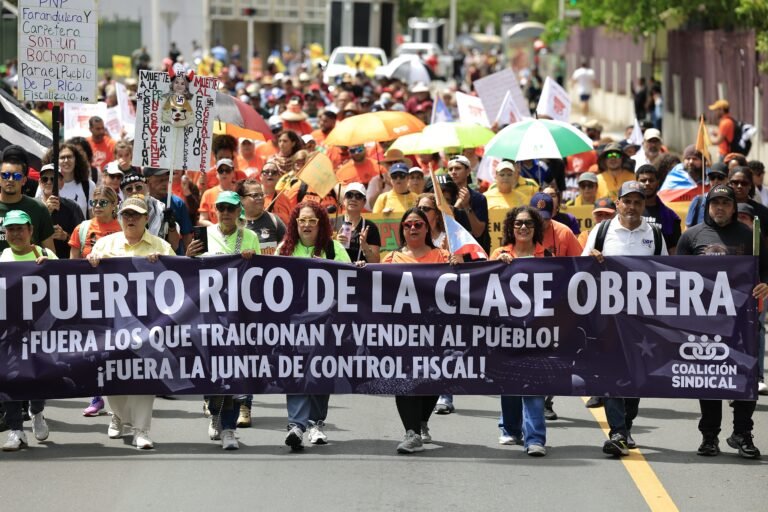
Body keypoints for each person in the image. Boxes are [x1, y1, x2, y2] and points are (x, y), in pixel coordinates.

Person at [676, 184, 768, 458]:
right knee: (710, 378)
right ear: (707, 206)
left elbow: (764, 270)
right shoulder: (691, 237)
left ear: (733, 206)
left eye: (725, 203)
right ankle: (709, 436)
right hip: (705, 323)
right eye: (715, 203)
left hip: (743, 320)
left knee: (745, 376)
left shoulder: (750, 235)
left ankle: (742, 433)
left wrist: (765, 285)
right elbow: (677, 276)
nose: (720, 208)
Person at [582, 181, 668, 456]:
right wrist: (592, 256)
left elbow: (665, 273)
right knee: (610, 372)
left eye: (637, 202)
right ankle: (617, 430)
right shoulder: (602, 230)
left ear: (644, 206)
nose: (632, 207)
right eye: (627, 201)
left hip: (641, 319)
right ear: (617, 203)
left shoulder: (654, 234)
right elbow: (580, 268)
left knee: (635, 375)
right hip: (607, 316)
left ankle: (626, 425)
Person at [87, 196, 175, 449]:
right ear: (119, 217)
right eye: (126, 214)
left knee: (145, 376)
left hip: (148, 327)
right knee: (111, 375)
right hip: (111, 326)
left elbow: (177, 284)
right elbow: (84, 282)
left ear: (147, 218)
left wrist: (164, 266)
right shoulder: (104, 245)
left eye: (136, 215)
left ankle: (141, 430)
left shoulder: (161, 247)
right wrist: (91, 264)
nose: (131, 219)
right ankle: (118, 415)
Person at [186, 191, 260, 450]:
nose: (226, 212)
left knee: (232, 370)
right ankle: (215, 411)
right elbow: (190, 273)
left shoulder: (249, 236)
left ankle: (229, 428)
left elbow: (259, 273)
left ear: (239, 210)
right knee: (211, 370)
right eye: (221, 208)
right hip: (208, 313)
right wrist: (188, 255)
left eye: (230, 208)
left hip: (237, 313)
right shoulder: (205, 234)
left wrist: (252, 260)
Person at [278, 202, 351, 450]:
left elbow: (350, 279)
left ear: (321, 224)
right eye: (302, 221)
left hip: (327, 324)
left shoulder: (334, 249)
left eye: (312, 221)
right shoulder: (285, 250)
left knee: (320, 371)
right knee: (297, 371)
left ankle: (316, 424)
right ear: (295, 224)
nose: (306, 225)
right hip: (295, 324)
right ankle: (296, 425)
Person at [382, 207, 450, 453]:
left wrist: (458, 266)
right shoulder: (390, 259)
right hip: (402, 333)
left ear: (427, 228)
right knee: (405, 379)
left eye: (418, 224)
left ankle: (422, 422)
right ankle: (411, 433)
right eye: (408, 225)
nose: (413, 228)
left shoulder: (442, 256)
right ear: (401, 229)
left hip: (436, 332)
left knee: (433, 379)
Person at [489, 206, 550, 455]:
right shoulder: (499, 253)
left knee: (533, 382)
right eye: (518, 224)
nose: (523, 227)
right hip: (506, 329)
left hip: (537, 331)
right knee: (510, 381)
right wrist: (497, 266)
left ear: (536, 228)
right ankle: (511, 429)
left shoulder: (547, 257)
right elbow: (483, 286)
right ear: (510, 228)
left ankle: (535, 438)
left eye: (528, 223)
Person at [0, 210, 55, 451]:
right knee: (11, 377)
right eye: (11, 229)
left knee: (38, 373)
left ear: (30, 230)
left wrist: (49, 269)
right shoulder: (2, 259)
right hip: (10, 332)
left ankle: (37, 411)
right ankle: (15, 430)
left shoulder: (46, 254)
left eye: (20, 228)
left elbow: (69, 282)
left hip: (40, 329)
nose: (15, 233)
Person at [1, 145, 55, 253]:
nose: (10, 180)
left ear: (24, 180)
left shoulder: (39, 209)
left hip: (29, 270)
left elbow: (50, 254)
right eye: (5, 175)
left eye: (16, 176)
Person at [37, 163, 84, 259]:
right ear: (40, 183)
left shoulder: (72, 207)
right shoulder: (33, 206)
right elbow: (27, 237)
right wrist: (46, 212)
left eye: (53, 179)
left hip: (66, 263)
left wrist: (65, 236)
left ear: (62, 183)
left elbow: (83, 239)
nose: (49, 182)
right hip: (39, 263)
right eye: (45, 179)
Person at [446, 155, 490, 253]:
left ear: (468, 171)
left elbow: (478, 232)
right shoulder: (445, 198)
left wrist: (466, 206)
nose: (453, 172)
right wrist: (456, 206)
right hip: (452, 254)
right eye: (450, 169)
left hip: (475, 255)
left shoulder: (479, 198)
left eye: (458, 168)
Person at [40, 143, 96, 218]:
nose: (66, 160)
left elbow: (92, 217)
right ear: (55, 161)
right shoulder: (46, 183)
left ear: (76, 160)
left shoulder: (88, 185)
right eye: (62, 157)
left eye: (69, 157)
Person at [635, 164, 681, 253]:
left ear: (658, 182)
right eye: (643, 180)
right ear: (636, 183)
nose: (647, 183)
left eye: (651, 180)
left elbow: (673, 251)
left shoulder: (670, 217)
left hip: (658, 265)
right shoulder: (627, 212)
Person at [334, 182, 381, 263]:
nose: (353, 199)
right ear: (344, 200)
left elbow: (375, 262)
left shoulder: (370, 227)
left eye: (358, 196)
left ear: (364, 202)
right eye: (349, 195)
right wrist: (335, 243)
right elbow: (323, 255)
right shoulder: (332, 223)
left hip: (360, 272)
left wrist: (365, 246)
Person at [239, 179, 286, 255]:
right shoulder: (234, 224)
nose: (260, 198)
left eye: (261, 194)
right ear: (241, 199)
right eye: (255, 195)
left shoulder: (274, 220)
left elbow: (289, 245)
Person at [686, 163, 728, 228]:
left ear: (727, 180)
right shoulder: (698, 201)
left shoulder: (732, 201)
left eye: (720, 177)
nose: (716, 181)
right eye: (712, 177)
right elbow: (687, 229)